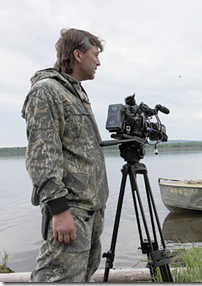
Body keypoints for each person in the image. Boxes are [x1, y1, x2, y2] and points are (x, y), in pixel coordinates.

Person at [21, 28, 109, 282]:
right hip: (71, 210)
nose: (99, 62)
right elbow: (41, 154)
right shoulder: (47, 91)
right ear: (78, 55)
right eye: (96, 54)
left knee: (81, 278)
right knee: (57, 279)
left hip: (90, 211)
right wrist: (59, 211)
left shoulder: (76, 93)